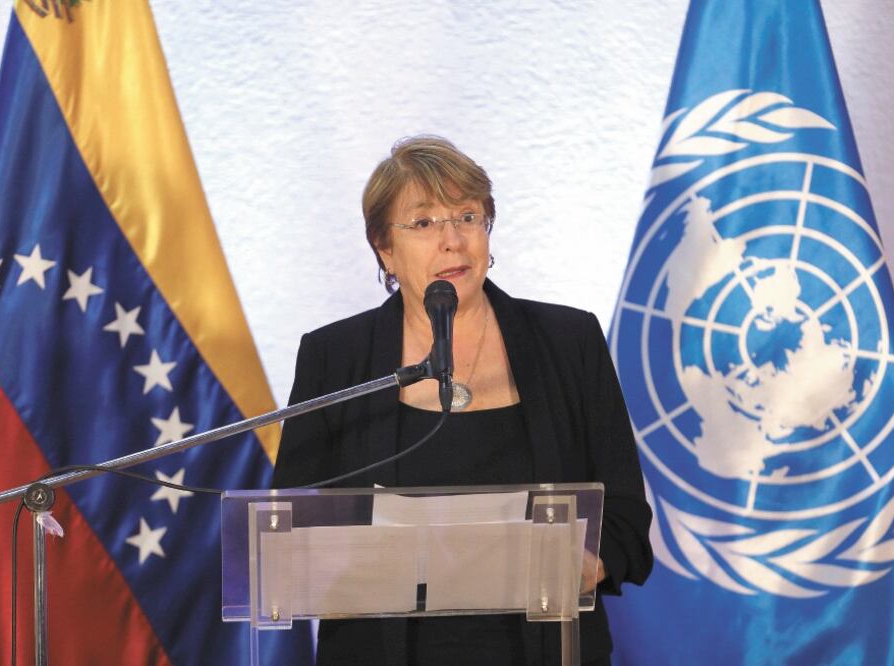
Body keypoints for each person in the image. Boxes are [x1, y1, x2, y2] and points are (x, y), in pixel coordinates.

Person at [272, 136, 652, 665]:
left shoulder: (569, 343)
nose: (452, 240)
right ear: (385, 247)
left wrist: (585, 565)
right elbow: (292, 530)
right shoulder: (335, 358)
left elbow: (627, 518)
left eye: (468, 217)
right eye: (424, 223)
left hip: (546, 649)